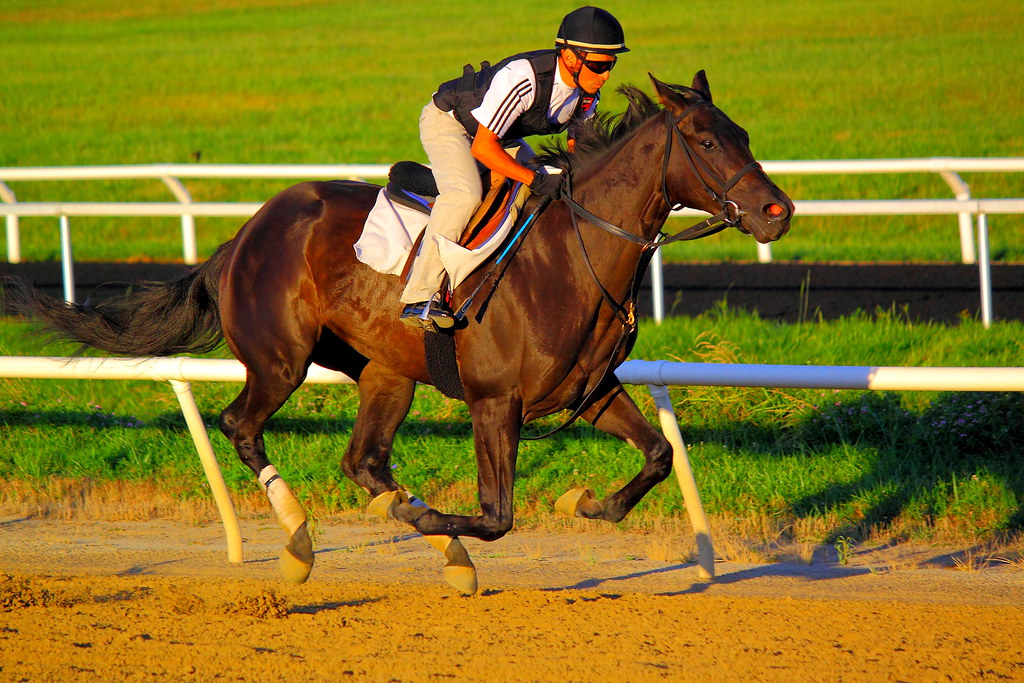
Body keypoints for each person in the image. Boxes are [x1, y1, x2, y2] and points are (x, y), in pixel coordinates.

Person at [399, 6, 629, 329]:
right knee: (465, 195)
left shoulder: (587, 94)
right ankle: (419, 297)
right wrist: (532, 177)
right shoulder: (524, 78)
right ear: (571, 58)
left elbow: (579, 153)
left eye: (611, 65)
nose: (605, 75)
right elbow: (482, 146)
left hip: (501, 135)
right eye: (599, 65)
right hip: (451, 125)